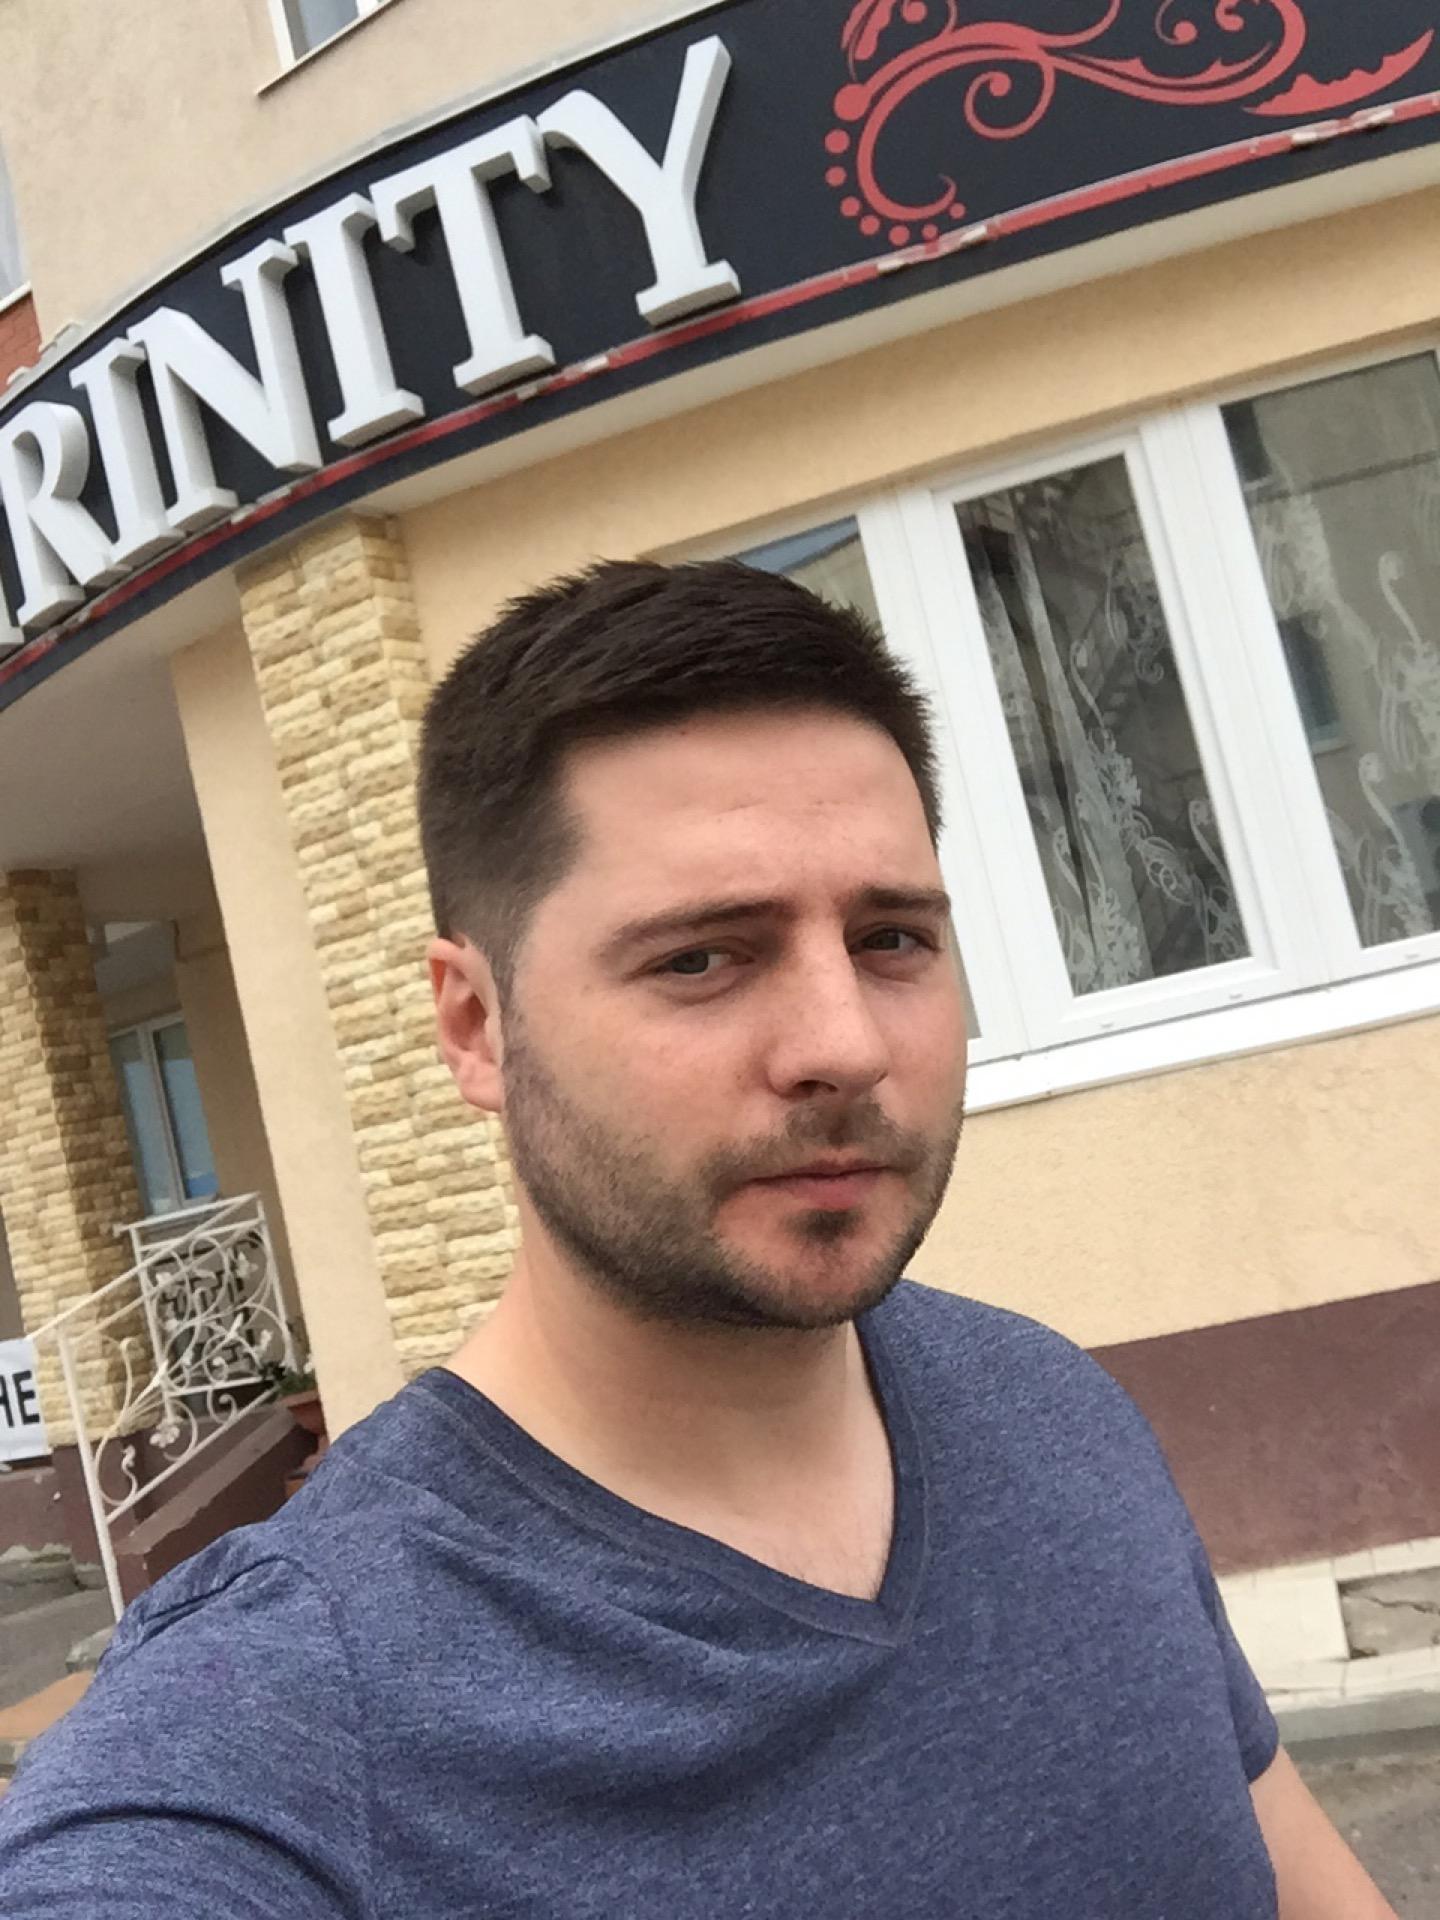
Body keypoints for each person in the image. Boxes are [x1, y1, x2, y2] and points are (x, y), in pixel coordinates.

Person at [0, 560, 1396, 1918]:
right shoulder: (283, 1727)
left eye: (892, 939)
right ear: (476, 1025)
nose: (844, 1045)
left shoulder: (1056, 1414)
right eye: (701, 958)